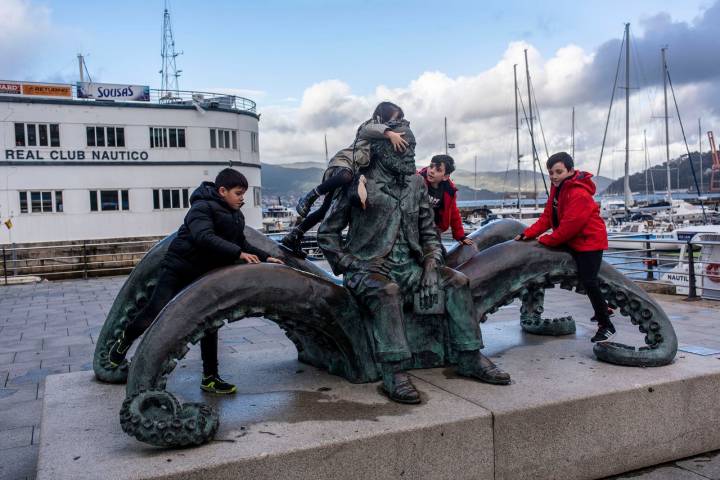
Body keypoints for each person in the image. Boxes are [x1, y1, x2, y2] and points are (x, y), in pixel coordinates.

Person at [318, 121, 510, 405]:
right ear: (383, 151)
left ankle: (469, 356)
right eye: (405, 149)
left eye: (414, 150)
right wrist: (352, 264)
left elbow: (428, 231)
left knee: (457, 282)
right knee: (387, 292)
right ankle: (394, 371)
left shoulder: (416, 184)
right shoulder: (358, 182)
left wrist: (432, 264)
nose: (411, 157)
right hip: (368, 267)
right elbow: (327, 234)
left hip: (411, 266)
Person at [108, 168, 283, 394]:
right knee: (155, 311)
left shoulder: (236, 216)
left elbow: (242, 243)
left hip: (204, 272)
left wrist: (266, 256)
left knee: (209, 321)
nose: (242, 198)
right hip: (179, 268)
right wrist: (238, 254)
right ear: (222, 191)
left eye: (243, 194)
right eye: (238, 193)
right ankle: (124, 341)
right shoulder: (201, 207)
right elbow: (204, 237)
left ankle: (210, 377)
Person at [280, 102, 409, 258]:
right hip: (344, 163)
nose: (394, 124)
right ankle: (310, 196)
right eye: (394, 119)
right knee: (345, 175)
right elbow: (370, 130)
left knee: (324, 211)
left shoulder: (382, 136)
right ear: (382, 116)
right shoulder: (369, 127)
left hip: (352, 174)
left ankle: (293, 236)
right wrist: (390, 133)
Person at [515, 152, 613, 343]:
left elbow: (570, 226)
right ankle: (604, 307)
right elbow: (547, 217)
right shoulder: (557, 188)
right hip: (575, 242)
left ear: (570, 170)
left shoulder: (579, 193)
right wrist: (529, 234)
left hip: (589, 242)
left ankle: (606, 325)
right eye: (551, 173)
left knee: (589, 280)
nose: (554, 176)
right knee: (584, 279)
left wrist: (547, 240)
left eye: (558, 172)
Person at [418, 154, 473, 249]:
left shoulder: (449, 191)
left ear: (445, 177)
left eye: (438, 170)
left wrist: (460, 236)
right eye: (431, 166)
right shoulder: (417, 179)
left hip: (433, 228)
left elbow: (454, 213)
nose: (431, 171)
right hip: (415, 224)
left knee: (440, 253)